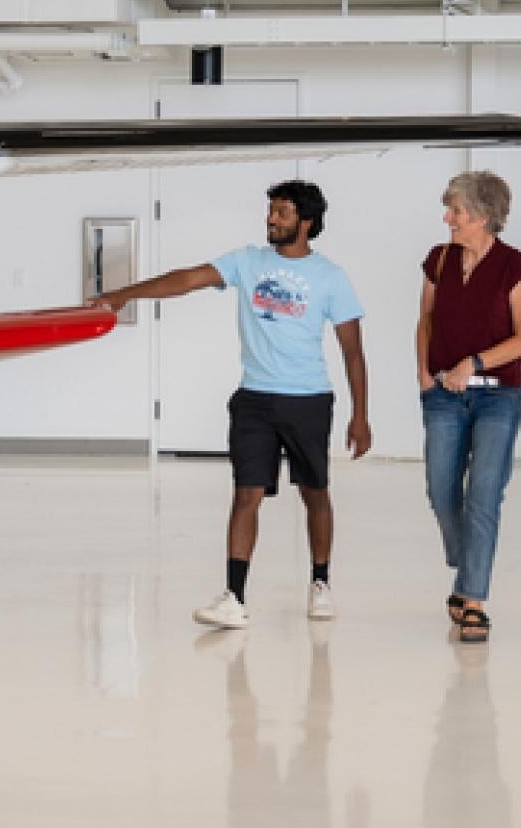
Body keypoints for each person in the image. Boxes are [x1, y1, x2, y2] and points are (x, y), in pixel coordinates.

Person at [95, 180, 370, 628]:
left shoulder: (331, 277)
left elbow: (353, 353)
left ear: (306, 222)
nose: (271, 219)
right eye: (270, 211)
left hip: (308, 400)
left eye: (281, 213)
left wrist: (361, 416)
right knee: (246, 494)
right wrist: (125, 294)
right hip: (254, 399)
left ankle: (320, 582)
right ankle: (234, 597)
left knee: (315, 494)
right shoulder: (248, 261)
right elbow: (188, 278)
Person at [416, 171, 521, 643]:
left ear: (483, 217)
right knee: (441, 492)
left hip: (498, 397)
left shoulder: (515, 267)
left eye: (457, 212)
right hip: (443, 395)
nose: (448, 219)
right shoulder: (439, 259)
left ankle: (473, 600)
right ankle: (468, 564)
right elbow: (426, 319)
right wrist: (424, 375)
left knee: (484, 495)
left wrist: (475, 362)